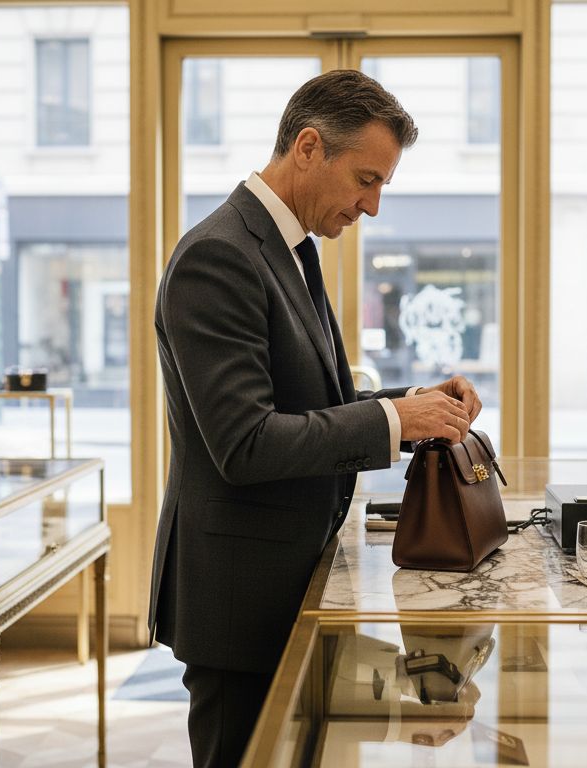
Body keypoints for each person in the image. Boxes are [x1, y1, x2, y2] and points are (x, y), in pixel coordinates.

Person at [147, 69, 484, 767]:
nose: (373, 206)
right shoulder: (218, 255)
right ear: (307, 148)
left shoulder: (292, 247)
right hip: (240, 598)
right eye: (366, 179)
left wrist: (416, 406)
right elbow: (246, 442)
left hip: (284, 582)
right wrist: (396, 420)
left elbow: (311, 406)